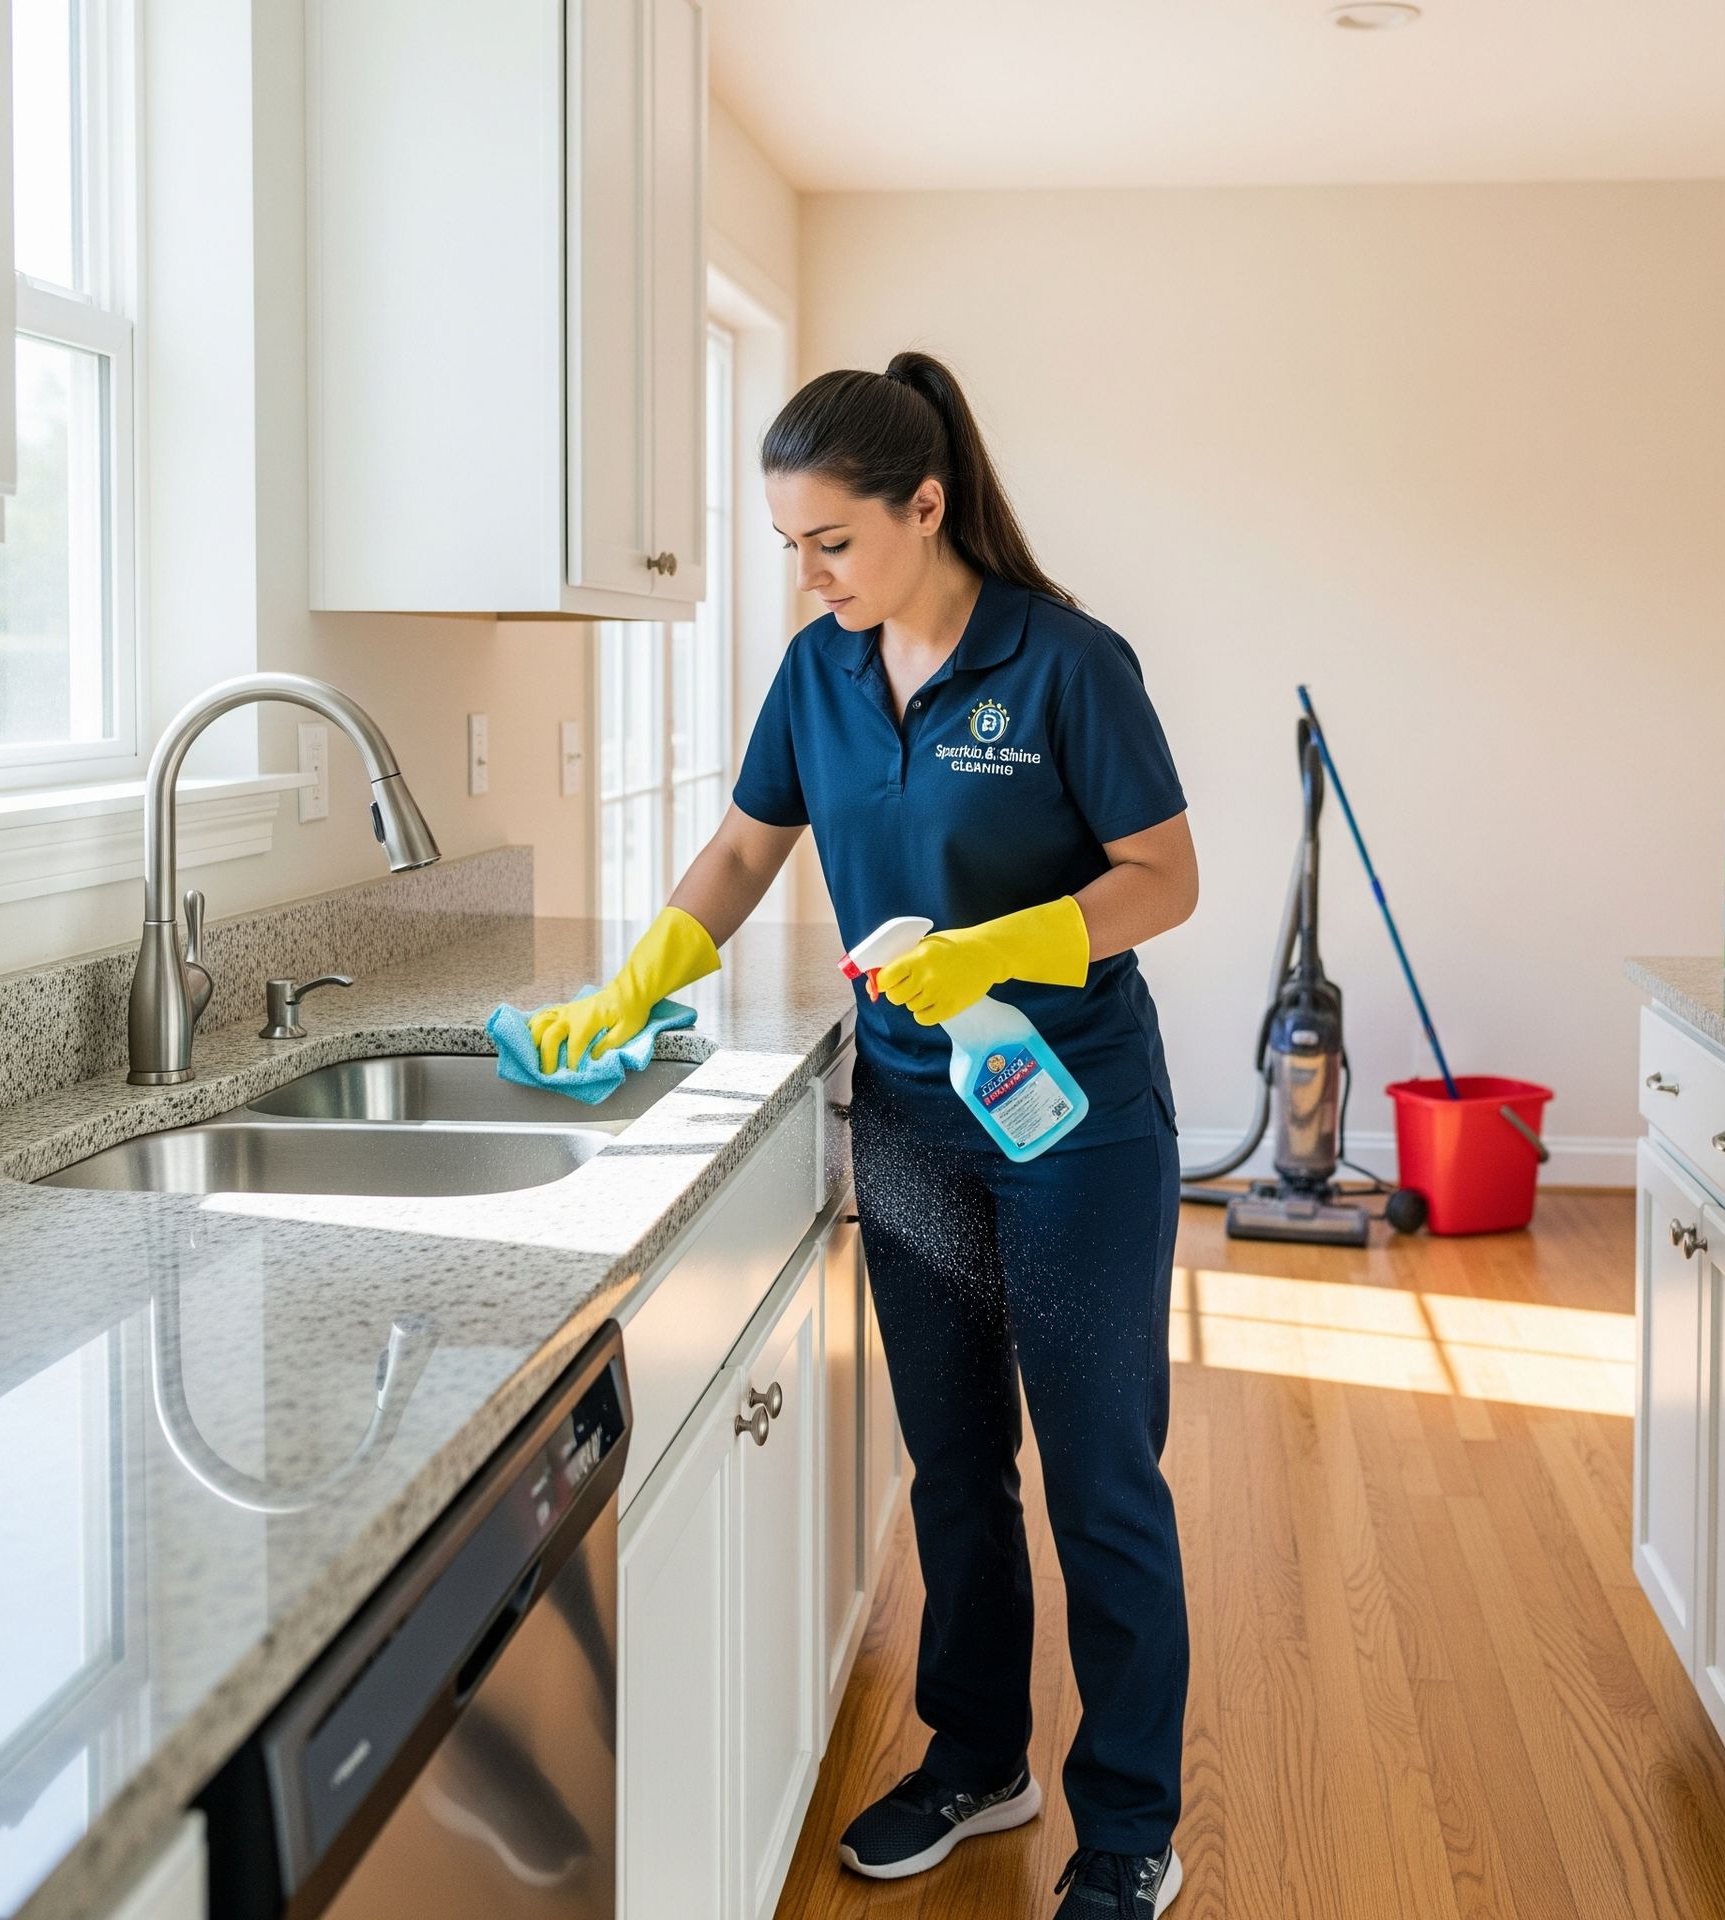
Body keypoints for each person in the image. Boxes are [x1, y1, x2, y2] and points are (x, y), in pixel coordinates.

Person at [531, 350, 1197, 1920]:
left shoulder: (1066, 663)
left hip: (1071, 1118)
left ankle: (1128, 1828)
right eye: (790, 546)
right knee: (955, 1461)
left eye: (834, 541)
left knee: (1104, 1473)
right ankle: (980, 1755)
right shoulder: (820, 672)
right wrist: (633, 984)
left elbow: (1166, 880)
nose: (810, 575)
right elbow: (747, 850)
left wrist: (1007, 943)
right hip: (907, 1113)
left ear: (926, 506)